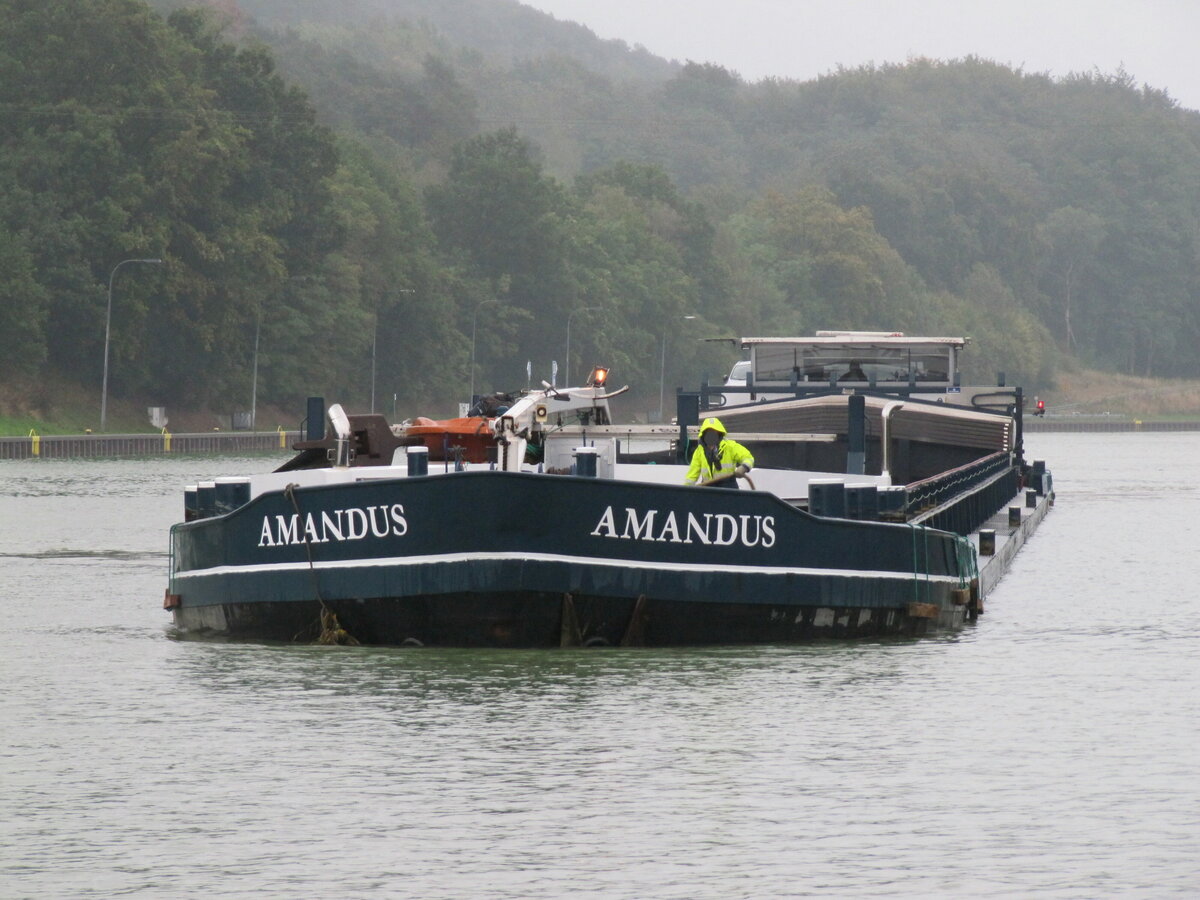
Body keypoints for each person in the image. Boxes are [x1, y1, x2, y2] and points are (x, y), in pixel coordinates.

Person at [685, 417, 754, 489]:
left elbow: (748, 458)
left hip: (728, 490)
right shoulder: (699, 452)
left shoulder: (730, 446)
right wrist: (685, 492)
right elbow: (691, 476)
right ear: (703, 435)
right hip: (708, 491)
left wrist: (743, 468)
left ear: (719, 434)